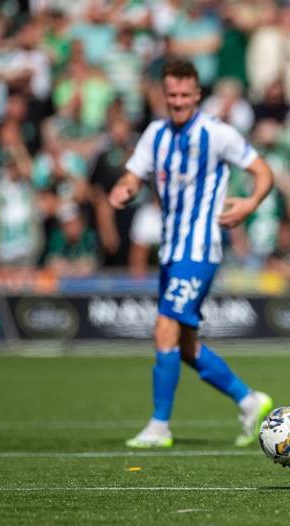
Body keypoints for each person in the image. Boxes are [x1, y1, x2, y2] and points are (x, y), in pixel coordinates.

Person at [108, 60, 275, 448]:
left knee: (164, 328)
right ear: (164, 96)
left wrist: (249, 205)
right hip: (170, 249)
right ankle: (250, 400)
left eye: (185, 94)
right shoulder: (155, 134)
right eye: (172, 95)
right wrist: (125, 188)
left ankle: (159, 426)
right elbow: (134, 173)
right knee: (183, 344)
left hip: (200, 249)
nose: (179, 101)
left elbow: (263, 171)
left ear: (198, 94)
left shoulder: (217, 134)